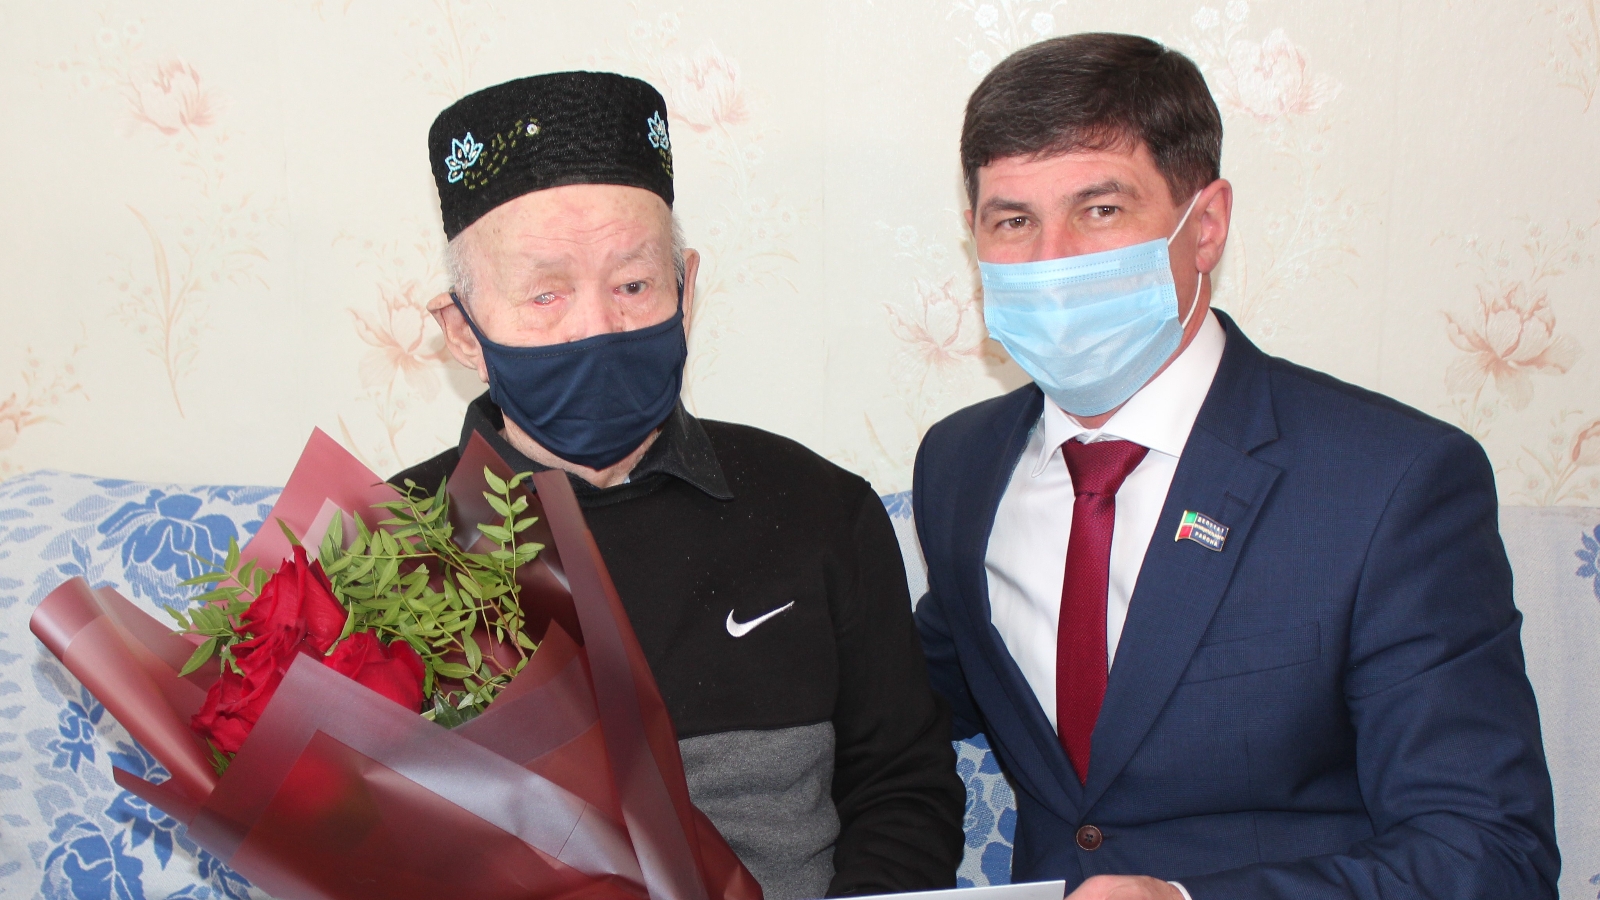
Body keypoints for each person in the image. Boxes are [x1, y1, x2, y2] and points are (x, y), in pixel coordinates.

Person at [912, 34, 1559, 900]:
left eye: (1100, 209)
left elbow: (1491, 853)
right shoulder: (959, 464)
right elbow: (900, 704)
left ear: (1206, 225)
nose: (1052, 260)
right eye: (1014, 221)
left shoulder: (1390, 483)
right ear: (975, 237)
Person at [392, 71, 964, 900]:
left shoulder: (820, 510)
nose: (597, 326)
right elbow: (333, 830)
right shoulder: (379, 548)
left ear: (686, 291)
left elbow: (904, 790)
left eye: (633, 285)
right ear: (462, 332)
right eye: (546, 294)